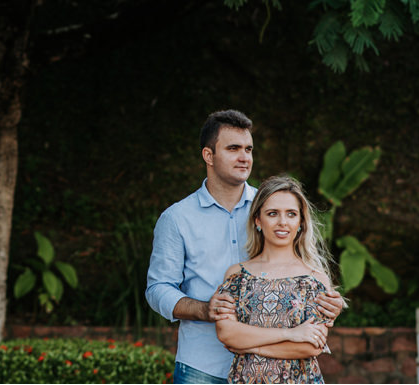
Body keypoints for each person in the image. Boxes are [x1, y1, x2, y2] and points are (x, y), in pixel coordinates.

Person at [145, 110, 344, 384]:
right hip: (202, 365)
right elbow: (158, 288)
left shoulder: (271, 207)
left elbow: (300, 277)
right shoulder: (177, 218)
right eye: (233, 148)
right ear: (208, 156)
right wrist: (204, 309)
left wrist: (327, 303)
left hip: (279, 366)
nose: (244, 157)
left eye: (249, 149)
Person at [215, 175, 338, 383]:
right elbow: (227, 334)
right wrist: (291, 334)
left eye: (291, 214)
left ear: (300, 222)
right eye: (272, 214)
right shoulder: (236, 275)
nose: (282, 222)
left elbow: (310, 346)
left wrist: (250, 346)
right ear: (258, 220)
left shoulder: (315, 280)